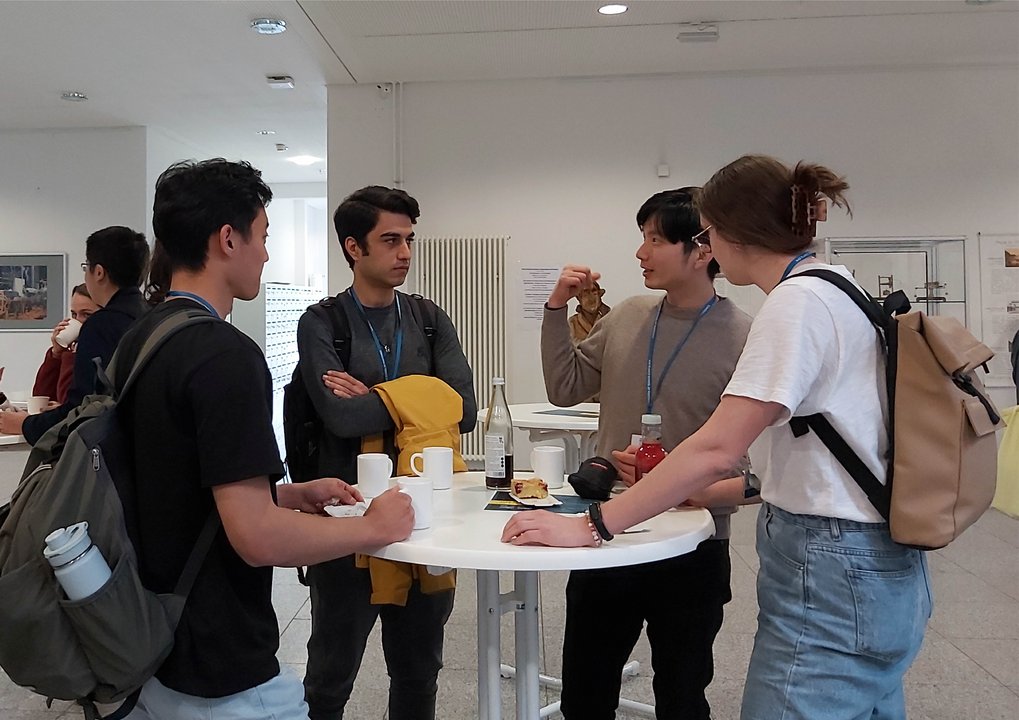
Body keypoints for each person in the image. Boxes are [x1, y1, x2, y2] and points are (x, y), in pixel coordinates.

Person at [503, 155, 932, 720]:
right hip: (863, 557)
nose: (704, 242)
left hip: (829, 559)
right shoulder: (836, 287)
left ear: (726, 234)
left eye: (703, 231)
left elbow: (717, 450)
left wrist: (591, 525)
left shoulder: (794, 304)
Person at [114, 159, 414, 720]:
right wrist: (372, 530)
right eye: (264, 236)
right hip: (221, 664)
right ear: (228, 239)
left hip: (154, 638)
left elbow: (176, 487)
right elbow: (255, 537)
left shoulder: (143, 338)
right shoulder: (224, 355)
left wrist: (288, 495)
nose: (267, 255)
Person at [540, 188, 752, 719]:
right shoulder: (629, 315)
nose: (641, 252)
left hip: (694, 542)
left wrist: (679, 483)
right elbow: (564, 388)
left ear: (703, 250)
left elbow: (759, 476)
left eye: (655, 239)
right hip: (607, 529)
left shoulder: (746, 336)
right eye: (643, 238)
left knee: (681, 695)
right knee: (586, 694)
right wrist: (555, 309)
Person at [298, 185, 477, 720]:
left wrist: (375, 393)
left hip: (424, 520)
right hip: (344, 517)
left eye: (409, 240)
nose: (405, 253)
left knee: (419, 673)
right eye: (391, 240)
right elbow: (339, 417)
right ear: (353, 248)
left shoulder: (427, 317)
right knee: (330, 675)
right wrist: (422, 394)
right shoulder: (322, 322)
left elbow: (465, 409)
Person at [1, 226, 150, 442]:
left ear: (98, 272)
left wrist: (25, 425)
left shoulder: (102, 325)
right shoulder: (151, 316)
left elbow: (83, 411)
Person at [32, 284, 100, 405]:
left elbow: (67, 402)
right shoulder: (73, 351)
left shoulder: (103, 351)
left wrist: (71, 356)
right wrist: (56, 354)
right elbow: (40, 398)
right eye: (74, 314)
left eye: (86, 315)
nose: (77, 320)